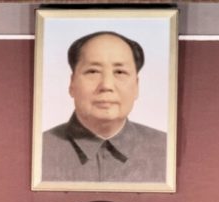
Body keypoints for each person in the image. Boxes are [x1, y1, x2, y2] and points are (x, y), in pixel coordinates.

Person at [42, 31, 167, 183]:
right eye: (93, 71)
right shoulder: (40, 149)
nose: (106, 85)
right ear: (72, 83)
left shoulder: (166, 150)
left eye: (120, 72)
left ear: (136, 86)